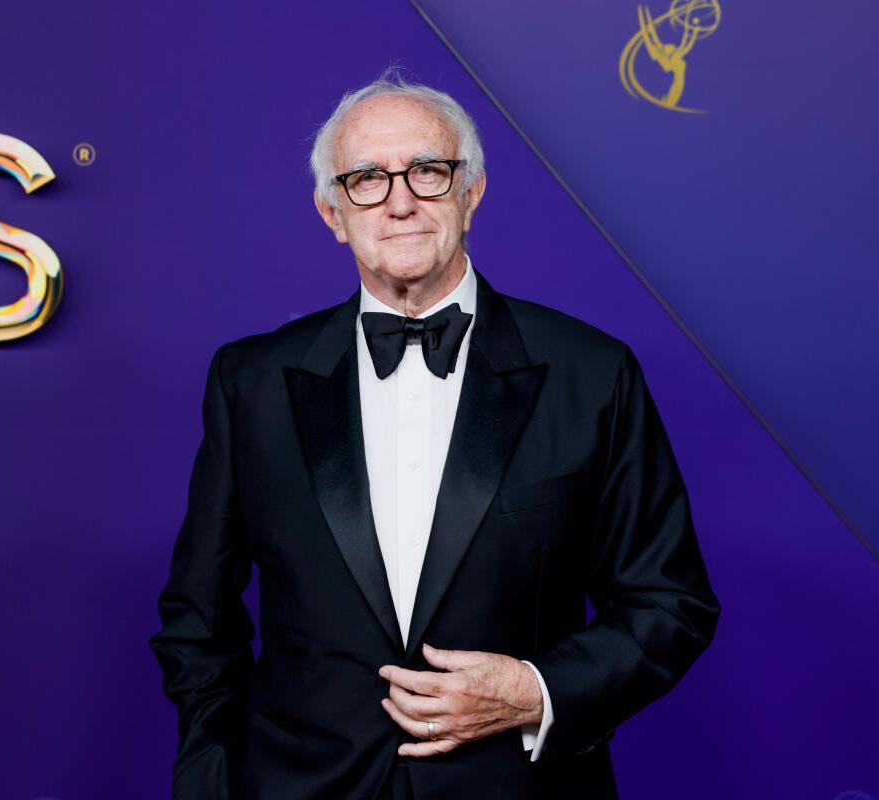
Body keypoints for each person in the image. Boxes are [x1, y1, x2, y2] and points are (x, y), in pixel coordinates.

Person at [149, 70, 721, 800]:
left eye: (427, 170)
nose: (399, 201)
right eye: (366, 179)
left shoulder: (591, 372)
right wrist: (209, 780)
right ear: (332, 211)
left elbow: (670, 602)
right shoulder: (250, 383)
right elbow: (198, 621)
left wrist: (536, 689)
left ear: (471, 192)